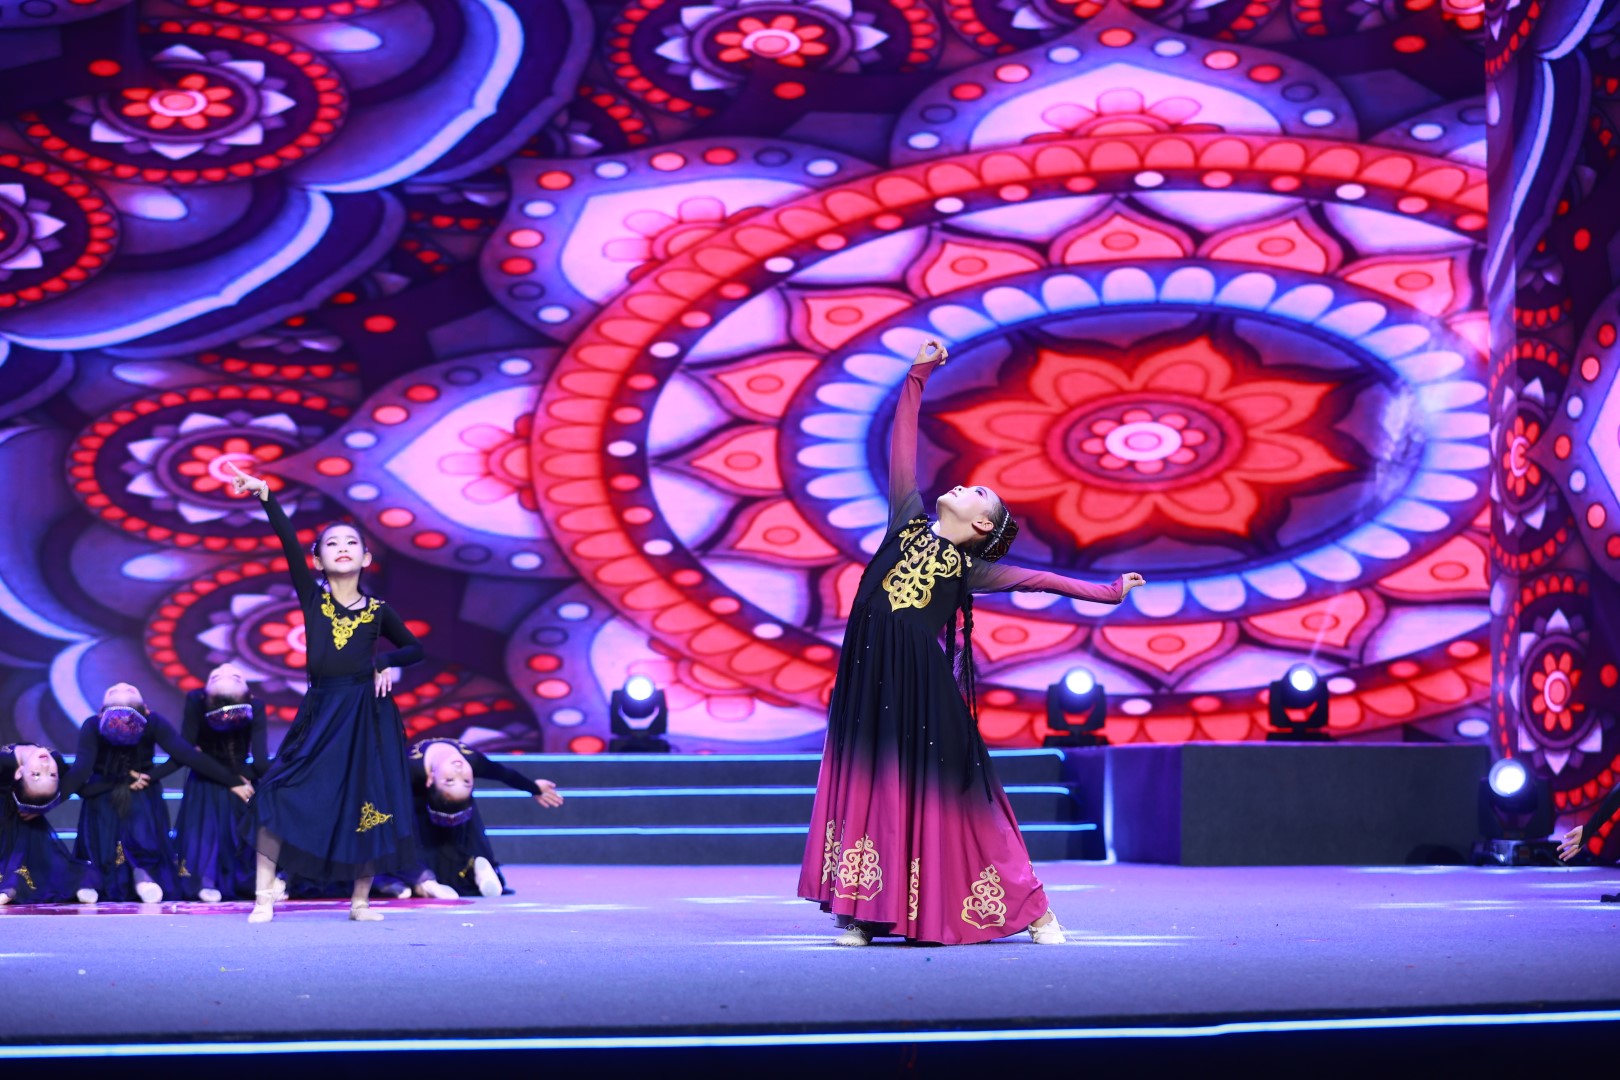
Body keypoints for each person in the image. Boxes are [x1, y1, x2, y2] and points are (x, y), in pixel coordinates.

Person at [797, 339, 1146, 947]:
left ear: (982, 525)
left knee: (960, 798)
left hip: (922, 693)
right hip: (868, 682)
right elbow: (902, 445)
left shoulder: (970, 569)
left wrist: (1109, 592)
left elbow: (1043, 580)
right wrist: (917, 377)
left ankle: (1035, 910)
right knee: (870, 789)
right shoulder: (905, 522)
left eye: (977, 494)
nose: (962, 486)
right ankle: (865, 912)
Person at [228, 462, 423, 923]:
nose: (342, 548)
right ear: (317, 561)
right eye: (331, 543)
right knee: (276, 793)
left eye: (351, 542)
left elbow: (415, 649)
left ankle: (360, 902)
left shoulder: (378, 610)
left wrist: (386, 661)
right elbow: (287, 541)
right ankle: (263, 897)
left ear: (366, 559)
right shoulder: (313, 597)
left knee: (367, 801)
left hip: (366, 714)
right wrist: (266, 495)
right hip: (321, 710)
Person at [65, 683, 252, 903]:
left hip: (142, 793)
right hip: (103, 791)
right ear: (101, 714)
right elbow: (81, 771)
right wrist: (46, 800)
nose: (122, 685)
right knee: (105, 836)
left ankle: (142, 876)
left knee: (139, 832)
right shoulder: (92, 725)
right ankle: (93, 880)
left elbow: (186, 754)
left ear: (146, 710)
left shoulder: (153, 722)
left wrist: (151, 776)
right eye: (112, 691)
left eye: (132, 690)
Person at [405, 737, 563, 898]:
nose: (459, 772)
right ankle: (423, 878)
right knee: (416, 822)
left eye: (467, 781)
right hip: (416, 800)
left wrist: (535, 788)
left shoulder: (471, 763)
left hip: (446, 804)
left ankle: (472, 867)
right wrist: (534, 787)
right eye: (450, 780)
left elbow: (505, 774)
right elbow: (505, 774)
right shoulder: (411, 770)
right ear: (430, 778)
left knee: (459, 805)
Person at [167, 663, 271, 902]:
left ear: (248, 694)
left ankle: (250, 882)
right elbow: (186, 750)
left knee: (245, 831)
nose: (224, 669)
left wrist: (242, 778)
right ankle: (204, 880)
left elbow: (261, 760)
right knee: (205, 830)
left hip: (243, 777)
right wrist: (231, 781)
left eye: (235, 675)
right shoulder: (196, 700)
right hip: (207, 774)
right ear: (205, 692)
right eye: (214, 676)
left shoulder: (255, 705)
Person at [0, 742, 98, 905]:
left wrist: (42, 806)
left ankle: (77, 883)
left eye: (53, 775)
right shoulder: (5, 762)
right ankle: (10, 885)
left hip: (29, 817)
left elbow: (79, 786)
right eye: (36, 774)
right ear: (18, 772)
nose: (45, 767)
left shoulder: (54, 761)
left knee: (37, 854)